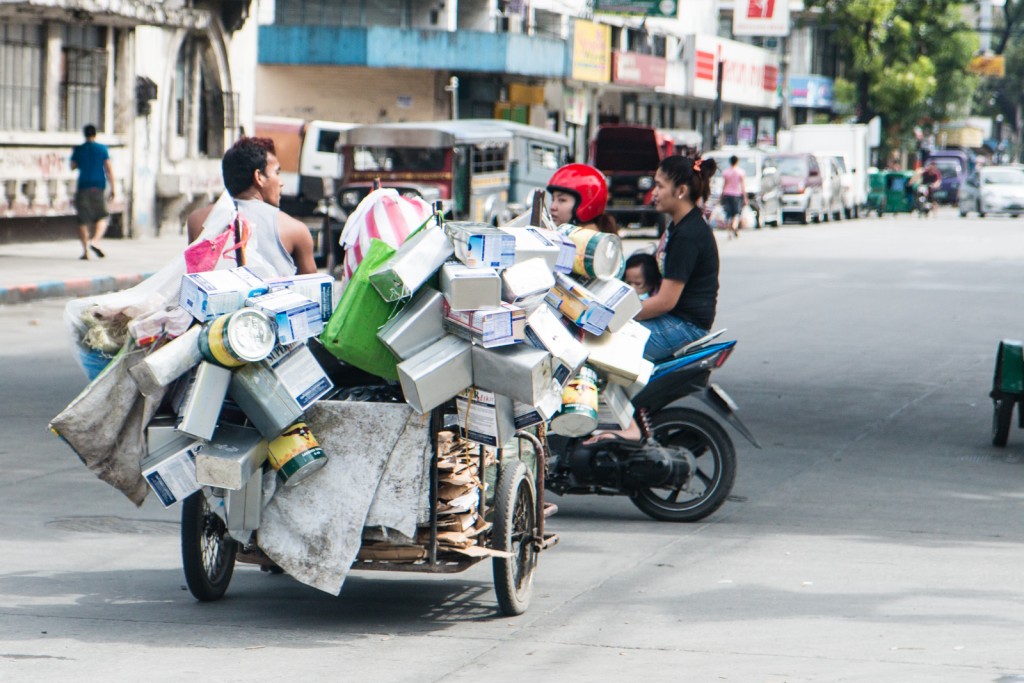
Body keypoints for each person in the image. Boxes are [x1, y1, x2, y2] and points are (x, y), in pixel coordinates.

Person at [583, 155, 719, 445]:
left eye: (659, 185)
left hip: (683, 325)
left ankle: (628, 426)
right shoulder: (678, 227)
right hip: (676, 319)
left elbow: (666, 301)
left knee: (600, 350)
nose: (652, 193)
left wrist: (617, 317)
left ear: (680, 191)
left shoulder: (688, 234)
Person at [187, 136, 316, 276]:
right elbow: (313, 289)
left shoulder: (197, 220)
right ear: (259, 177)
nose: (281, 182)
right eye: (277, 172)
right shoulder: (294, 230)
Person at [70, 124, 115, 260]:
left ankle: (85, 252)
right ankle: (95, 241)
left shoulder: (79, 149)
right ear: (95, 134)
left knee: (82, 220)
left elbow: (73, 166)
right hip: (98, 186)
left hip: (83, 186)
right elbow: (108, 169)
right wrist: (114, 188)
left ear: (84, 134)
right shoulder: (102, 149)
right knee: (102, 215)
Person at [547, 163, 619, 234]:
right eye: (553, 199)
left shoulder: (586, 243)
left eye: (562, 200)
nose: (553, 207)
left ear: (587, 204)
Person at [720, 155, 747, 239]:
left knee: (728, 214)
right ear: (737, 161)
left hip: (727, 194)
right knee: (736, 213)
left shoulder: (726, 172)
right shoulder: (740, 172)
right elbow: (742, 186)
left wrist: (721, 195)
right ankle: (734, 226)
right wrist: (745, 197)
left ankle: (729, 234)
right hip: (737, 195)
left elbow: (724, 185)